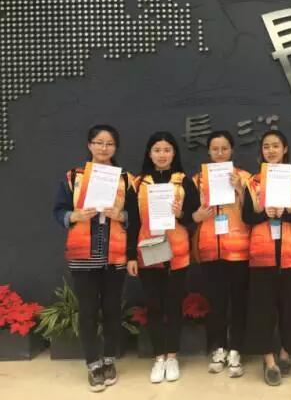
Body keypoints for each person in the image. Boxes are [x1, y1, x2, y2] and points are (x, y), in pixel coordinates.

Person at [53, 124, 138, 392]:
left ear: (116, 147)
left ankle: (109, 359)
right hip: (83, 253)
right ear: (89, 145)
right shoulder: (73, 177)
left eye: (109, 143)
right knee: (88, 311)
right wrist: (74, 216)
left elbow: (136, 217)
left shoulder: (127, 179)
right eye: (99, 142)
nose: (104, 148)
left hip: (115, 254)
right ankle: (93, 363)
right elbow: (58, 210)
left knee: (112, 309)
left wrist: (121, 215)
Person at [127, 131, 198, 383]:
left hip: (177, 253)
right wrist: (130, 256)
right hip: (148, 251)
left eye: (167, 150)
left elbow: (193, 218)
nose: (162, 154)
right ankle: (159, 357)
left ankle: (172, 356)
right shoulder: (138, 184)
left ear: (174, 153)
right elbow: (133, 222)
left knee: (174, 306)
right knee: (154, 306)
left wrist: (181, 214)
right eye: (157, 150)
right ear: (149, 153)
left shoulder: (184, 181)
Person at [242, 130, 291, 386]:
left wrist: (284, 213)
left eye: (275, 146)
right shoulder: (253, 182)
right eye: (266, 146)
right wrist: (264, 212)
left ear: (285, 149)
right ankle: (269, 360)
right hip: (262, 255)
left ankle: (285, 352)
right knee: (262, 310)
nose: (271, 151)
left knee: (290, 308)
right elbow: (248, 217)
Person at [191, 131, 250, 377]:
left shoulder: (245, 177)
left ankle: (236, 349)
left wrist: (240, 190)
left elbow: (254, 213)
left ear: (232, 150)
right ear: (208, 151)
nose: (220, 153)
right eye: (215, 149)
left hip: (238, 249)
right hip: (209, 249)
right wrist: (197, 216)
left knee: (238, 302)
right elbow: (189, 214)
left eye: (224, 148)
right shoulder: (197, 180)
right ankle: (219, 348)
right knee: (216, 303)